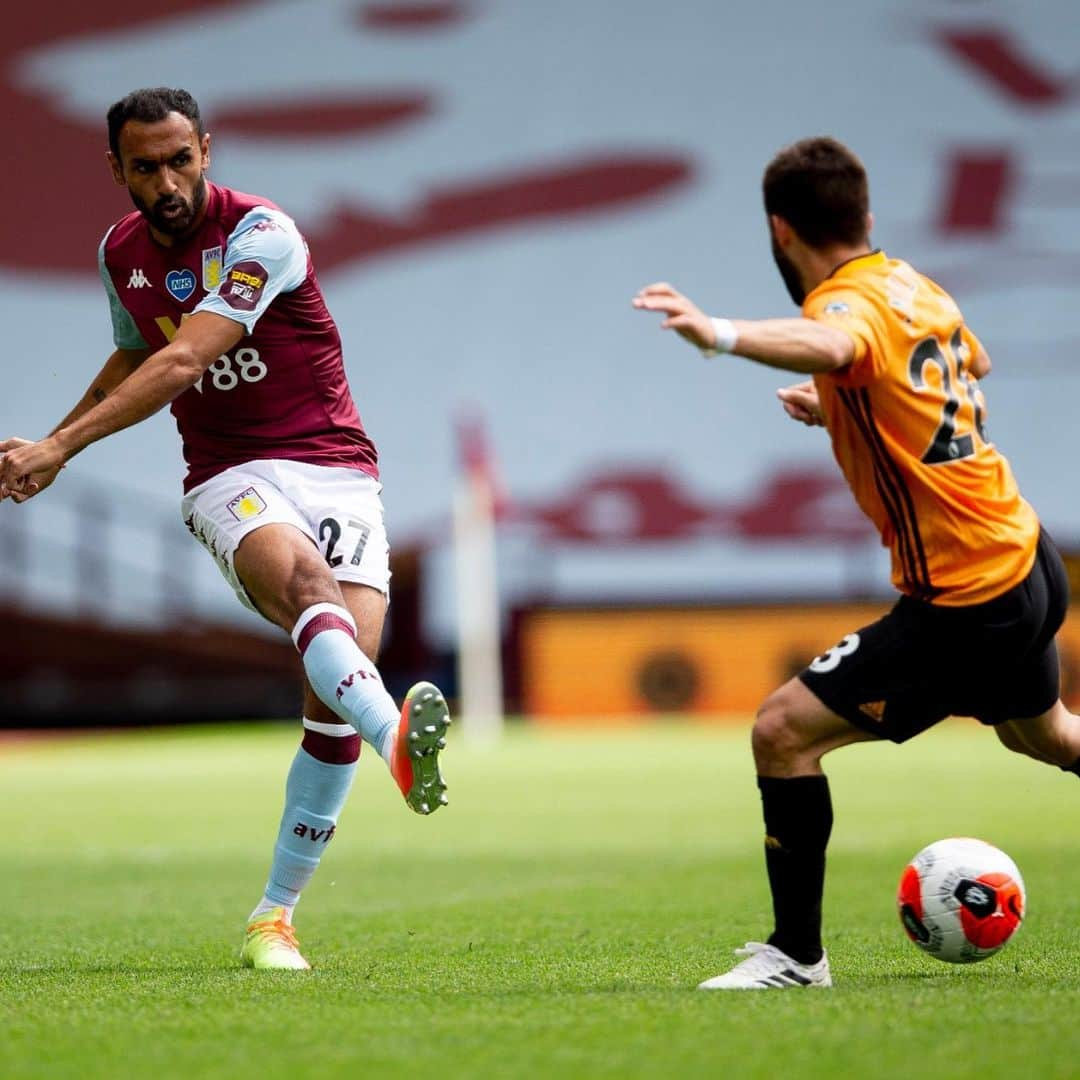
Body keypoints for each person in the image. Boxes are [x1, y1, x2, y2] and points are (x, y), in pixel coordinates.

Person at [0, 87, 452, 971]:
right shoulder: (118, 252)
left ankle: (271, 919)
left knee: (334, 687)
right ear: (116, 169)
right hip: (228, 476)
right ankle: (396, 736)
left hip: (335, 469)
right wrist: (57, 437)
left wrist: (58, 448)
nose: (166, 181)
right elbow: (137, 349)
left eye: (180, 159)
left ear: (207, 149)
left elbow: (181, 358)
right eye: (144, 166)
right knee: (310, 596)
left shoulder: (263, 235)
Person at [632, 136, 1080, 990]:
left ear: (780, 231)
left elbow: (835, 347)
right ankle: (794, 953)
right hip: (1026, 557)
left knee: (782, 731)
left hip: (967, 598)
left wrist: (718, 332)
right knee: (1050, 737)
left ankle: (797, 958)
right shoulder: (912, 282)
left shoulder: (847, 304)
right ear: (866, 216)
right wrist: (851, 409)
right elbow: (966, 365)